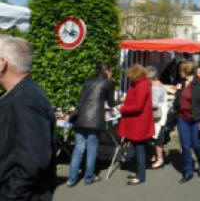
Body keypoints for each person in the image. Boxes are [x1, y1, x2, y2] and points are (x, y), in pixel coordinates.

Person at [0, 36, 56, 200]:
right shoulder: (17, 94)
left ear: (3, 63)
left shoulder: (26, 100)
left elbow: (33, 162)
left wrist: (9, 196)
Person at [67, 64, 117, 186]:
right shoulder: (108, 84)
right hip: (94, 120)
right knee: (92, 148)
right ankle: (88, 177)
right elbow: (111, 103)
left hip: (81, 118)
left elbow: (81, 100)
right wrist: (120, 101)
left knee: (78, 148)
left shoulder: (88, 82)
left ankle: (71, 179)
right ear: (107, 72)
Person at [117, 64, 154, 186]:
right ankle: (138, 171)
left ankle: (141, 175)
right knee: (138, 148)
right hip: (136, 122)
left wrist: (122, 108)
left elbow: (137, 106)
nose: (129, 78)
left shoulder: (142, 85)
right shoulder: (139, 84)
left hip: (139, 123)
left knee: (140, 150)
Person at [173, 61, 200, 184]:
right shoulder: (181, 84)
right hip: (183, 119)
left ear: (187, 71)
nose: (179, 72)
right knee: (185, 146)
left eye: (181, 70)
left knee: (197, 145)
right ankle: (188, 171)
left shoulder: (199, 84)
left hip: (195, 119)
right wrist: (177, 91)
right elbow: (177, 102)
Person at [146, 66, 168, 169]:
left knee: (158, 138)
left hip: (158, 117)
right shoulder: (159, 86)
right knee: (157, 137)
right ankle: (157, 156)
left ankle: (160, 159)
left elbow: (154, 104)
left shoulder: (155, 88)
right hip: (161, 116)